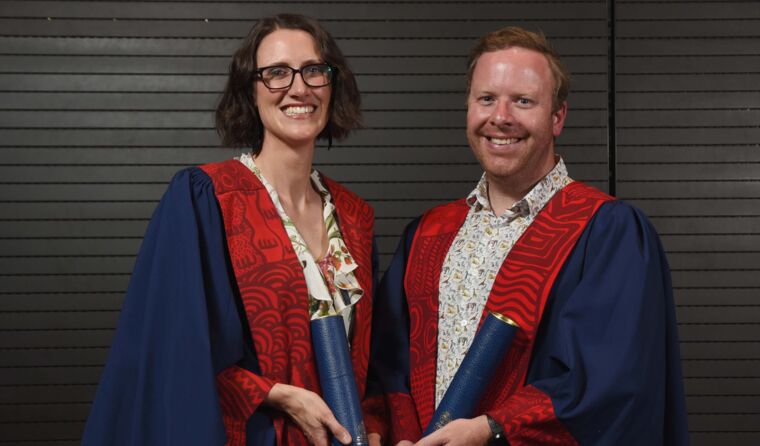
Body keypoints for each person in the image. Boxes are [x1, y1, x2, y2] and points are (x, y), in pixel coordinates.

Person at [363, 27, 689, 446]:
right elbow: (388, 370)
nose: (500, 117)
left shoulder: (607, 232)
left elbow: (614, 381)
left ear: (557, 117)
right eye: (486, 99)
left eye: (523, 101)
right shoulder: (428, 234)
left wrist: (492, 430)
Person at [82, 14, 377, 446]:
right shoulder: (206, 198)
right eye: (276, 73)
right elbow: (171, 350)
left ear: (333, 84)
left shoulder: (355, 216)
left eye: (313, 70)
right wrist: (277, 394)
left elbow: (372, 362)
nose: (299, 88)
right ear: (250, 90)